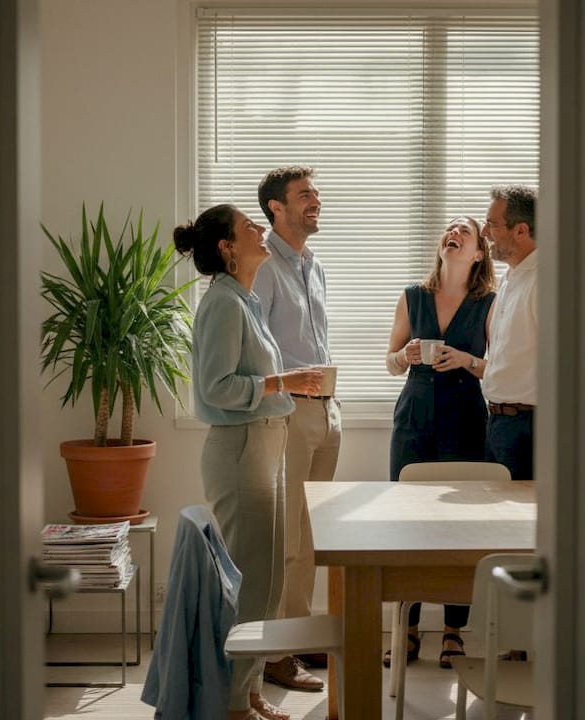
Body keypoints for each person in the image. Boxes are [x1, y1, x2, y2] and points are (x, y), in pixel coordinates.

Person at [173, 203, 324, 720]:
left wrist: (281, 388)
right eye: (249, 228)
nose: (261, 231)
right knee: (248, 585)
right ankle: (233, 705)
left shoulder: (245, 300)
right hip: (240, 449)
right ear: (227, 248)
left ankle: (250, 693)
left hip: (266, 445)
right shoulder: (222, 304)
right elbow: (214, 388)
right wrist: (284, 383)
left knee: (267, 583)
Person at [384, 216, 496, 668]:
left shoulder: (491, 303)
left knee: (460, 527)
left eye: (463, 232)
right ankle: (405, 631)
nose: (452, 232)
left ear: (478, 253)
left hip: (466, 416)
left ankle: (454, 632)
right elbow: (390, 364)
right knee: (406, 524)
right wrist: (405, 354)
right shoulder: (413, 296)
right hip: (414, 414)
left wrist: (469, 360)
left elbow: (500, 368)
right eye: (448, 228)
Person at [252, 165, 341, 690]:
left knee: (311, 536)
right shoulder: (262, 266)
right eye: (304, 195)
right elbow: (254, 350)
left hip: (327, 412)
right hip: (288, 413)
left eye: (316, 193)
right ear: (275, 208)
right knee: (286, 537)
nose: (315, 201)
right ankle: (274, 654)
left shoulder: (313, 265)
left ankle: (303, 636)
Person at [479, 184, 539, 481]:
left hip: (529, 428)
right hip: (500, 424)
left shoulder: (546, 283)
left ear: (521, 231)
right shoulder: (509, 278)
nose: (484, 232)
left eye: (492, 224)